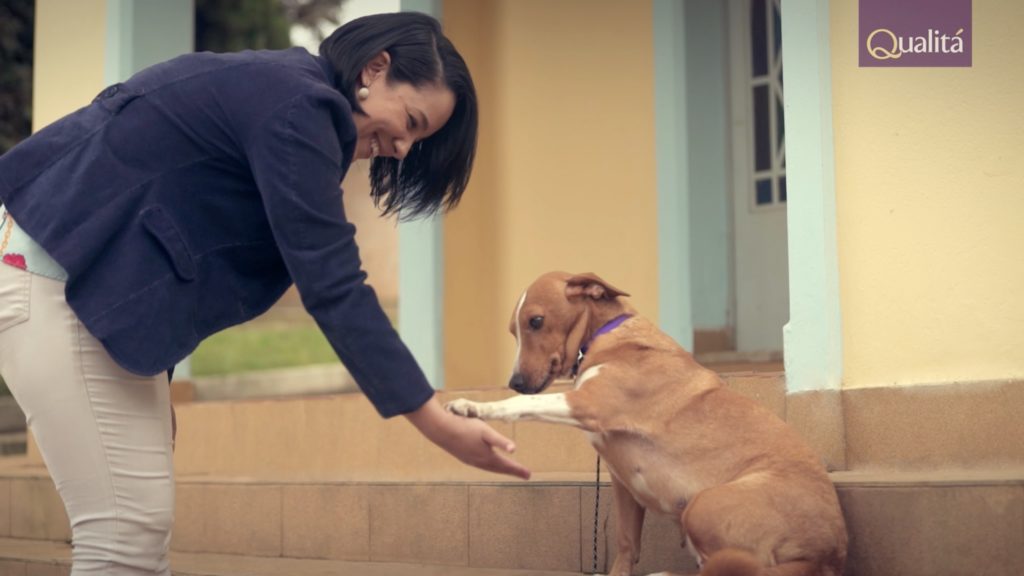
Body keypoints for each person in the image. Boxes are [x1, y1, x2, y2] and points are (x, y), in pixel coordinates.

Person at [0, 12, 529, 576]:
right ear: (375, 69)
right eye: (411, 122)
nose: (402, 149)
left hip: (75, 292)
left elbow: (166, 230)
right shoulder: (298, 107)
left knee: (137, 536)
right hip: (54, 282)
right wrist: (436, 423)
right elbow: (334, 284)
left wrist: (155, 377)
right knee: (124, 535)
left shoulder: (284, 95)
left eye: (418, 140)